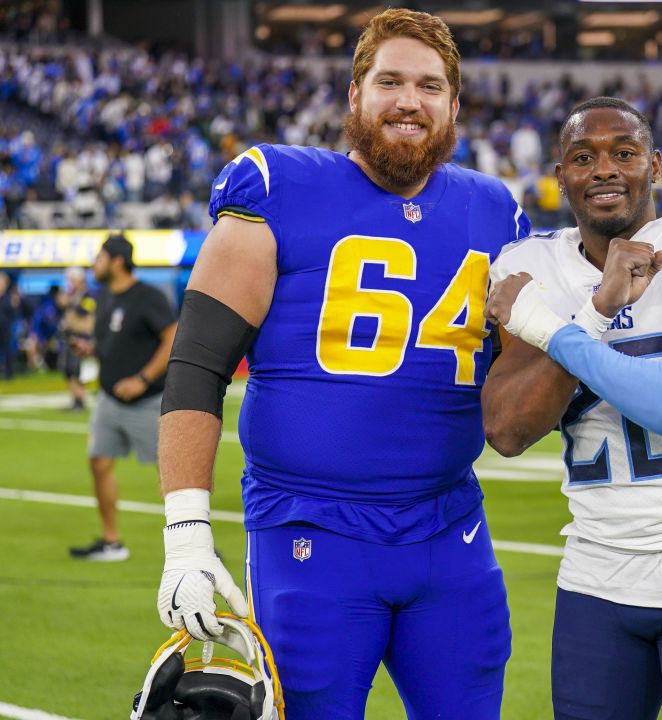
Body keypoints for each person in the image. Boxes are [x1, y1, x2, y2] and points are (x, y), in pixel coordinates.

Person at [154, 9, 529, 720]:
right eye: (389, 81)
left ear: (455, 106)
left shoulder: (495, 212)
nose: (408, 101)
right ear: (354, 95)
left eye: (428, 85)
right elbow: (197, 367)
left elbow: (525, 379)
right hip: (311, 532)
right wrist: (186, 534)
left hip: (451, 531)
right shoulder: (277, 186)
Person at [483, 97, 662, 720]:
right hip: (596, 576)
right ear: (558, 175)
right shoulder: (531, 265)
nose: (604, 170)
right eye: (582, 157)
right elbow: (507, 430)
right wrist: (597, 308)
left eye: (624, 152)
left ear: (656, 165)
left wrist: (559, 330)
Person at [69, 233, 176, 561]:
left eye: (99, 257)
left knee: (172, 473)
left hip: (147, 400)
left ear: (117, 260)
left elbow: (172, 337)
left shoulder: (147, 296)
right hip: (109, 399)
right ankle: (111, 542)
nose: (94, 264)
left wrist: (143, 379)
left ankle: (194, 546)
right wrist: (91, 349)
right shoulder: (103, 297)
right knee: (98, 461)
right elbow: (111, 341)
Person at [59, 266, 95, 411]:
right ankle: (75, 399)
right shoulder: (74, 294)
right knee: (68, 369)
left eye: (71, 279)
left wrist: (69, 304)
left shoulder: (88, 295)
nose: (69, 282)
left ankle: (80, 399)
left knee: (77, 369)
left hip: (82, 336)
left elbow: (85, 313)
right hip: (70, 335)